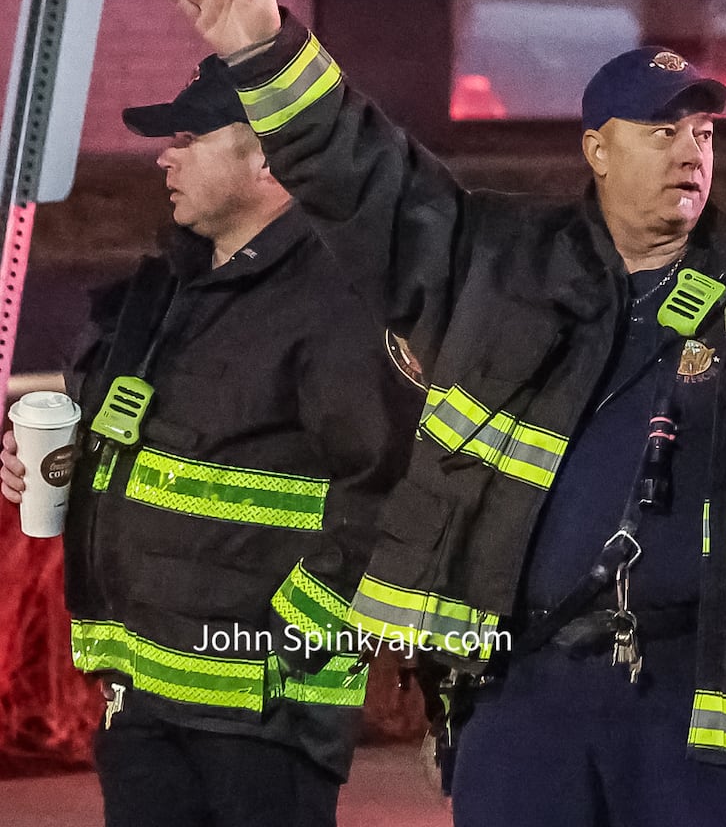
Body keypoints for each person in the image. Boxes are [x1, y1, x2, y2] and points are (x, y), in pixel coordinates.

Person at [159, 0, 726, 827]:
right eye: (661, 131)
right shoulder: (495, 267)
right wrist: (267, 55)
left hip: (710, 698)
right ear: (597, 149)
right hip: (523, 690)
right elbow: (367, 180)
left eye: (703, 134)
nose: (690, 153)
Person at [0, 57, 420, 826]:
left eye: (190, 137)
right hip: (142, 696)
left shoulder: (338, 301)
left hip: (261, 719)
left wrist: (295, 637)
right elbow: (136, 447)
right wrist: (54, 470)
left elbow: (389, 489)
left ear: (266, 155)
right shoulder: (162, 291)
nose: (165, 154)